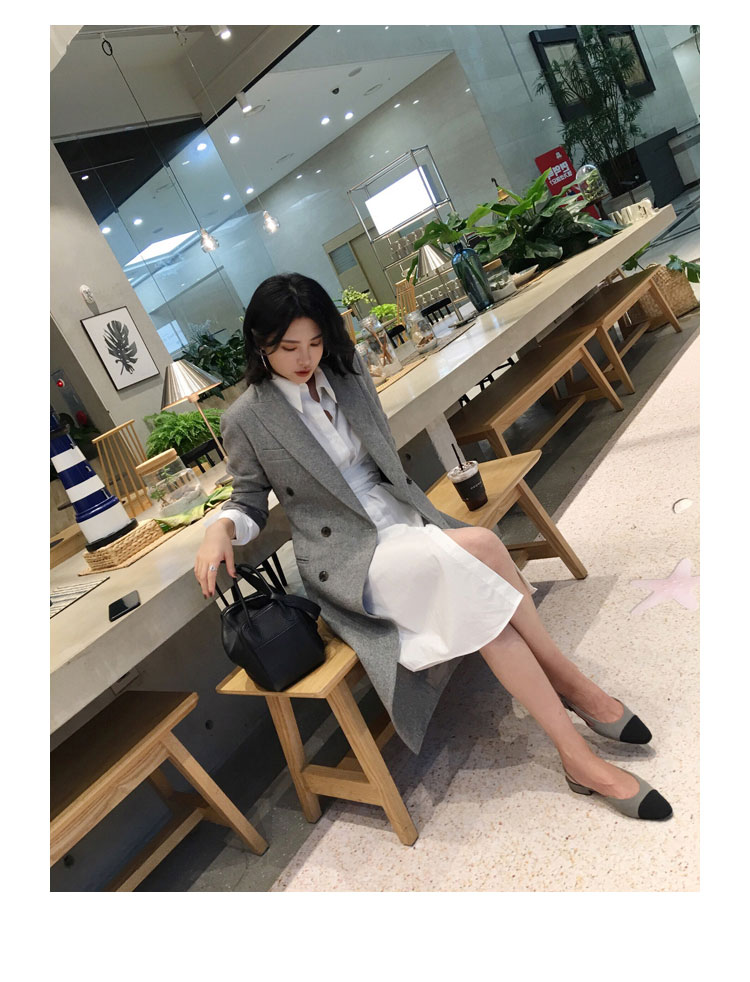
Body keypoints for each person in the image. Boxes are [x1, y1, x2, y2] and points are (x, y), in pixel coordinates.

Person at [195, 273, 672, 821]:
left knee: (481, 553)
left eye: (315, 342)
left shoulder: (347, 374)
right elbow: (249, 498)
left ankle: (570, 699)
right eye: (288, 348)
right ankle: (576, 735)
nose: (305, 359)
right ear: (261, 344)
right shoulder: (248, 418)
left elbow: (378, 465)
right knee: (474, 564)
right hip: (348, 558)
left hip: (402, 516)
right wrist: (220, 528)